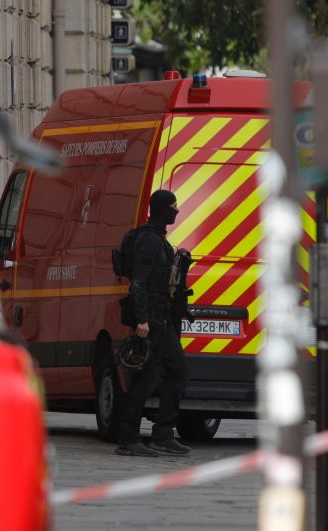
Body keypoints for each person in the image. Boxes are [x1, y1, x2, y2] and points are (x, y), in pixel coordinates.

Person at [115, 189, 191, 457]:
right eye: (173, 206)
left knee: (170, 372)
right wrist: (143, 319)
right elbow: (138, 282)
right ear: (161, 209)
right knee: (149, 378)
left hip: (161, 318)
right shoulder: (148, 240)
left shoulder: (158, 238)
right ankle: (131, 438)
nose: (177, 211)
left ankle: (161, 434)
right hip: (152, 321)